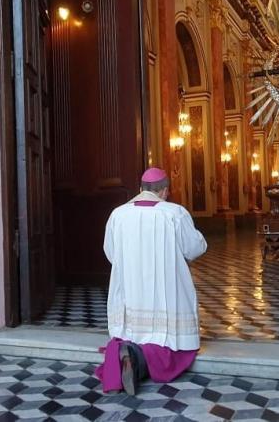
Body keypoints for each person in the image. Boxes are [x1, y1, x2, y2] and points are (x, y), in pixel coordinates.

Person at [96, 167, 207, 395]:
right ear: (165, 191)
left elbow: (110, 253)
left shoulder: (118, 214)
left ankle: (125, 355)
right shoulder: (175, 213)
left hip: (131, 292)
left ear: (140, 189)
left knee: (130, 334)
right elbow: (195, 248)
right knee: (173, 349)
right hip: (167, 295)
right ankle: (136, 359)